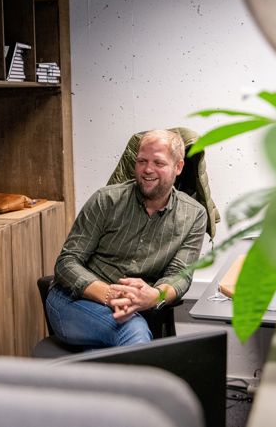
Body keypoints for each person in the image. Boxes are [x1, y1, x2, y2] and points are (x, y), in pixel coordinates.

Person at [47, 129, 207, 348]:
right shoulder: (106, 200)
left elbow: (180, 275)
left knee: (113, 346)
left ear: (178, 167)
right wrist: (108, 294)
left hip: (131, 309)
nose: (147, 169)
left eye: (158, 163)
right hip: (72, 301)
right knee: (133, 330)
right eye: (142, 161)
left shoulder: (194, 215)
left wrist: (156, 296)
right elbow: (66, 262)